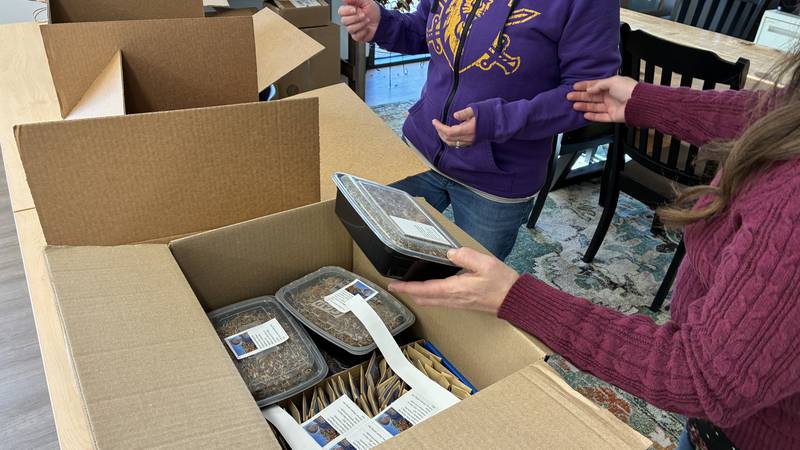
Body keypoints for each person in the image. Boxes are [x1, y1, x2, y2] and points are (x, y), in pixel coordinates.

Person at [388, 48, 800, 449]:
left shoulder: (790, 205)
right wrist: (648, 102)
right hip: (723, 420)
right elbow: (779, 111)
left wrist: (520, 299)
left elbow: (703, 377)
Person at [338, 0, 620, 259]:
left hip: (496, 179)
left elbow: (588, 96)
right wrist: (384, 25)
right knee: (382, 254)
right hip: (418, 151)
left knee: (466, 290)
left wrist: (497, 122)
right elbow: (426, 28)